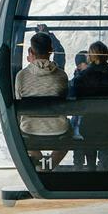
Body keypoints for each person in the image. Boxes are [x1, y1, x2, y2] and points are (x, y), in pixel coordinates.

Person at [14, 32, 69, 170]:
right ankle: (48, 166)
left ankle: (41, 166)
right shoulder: (61, 76)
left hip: (30, 129)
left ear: (31, 52)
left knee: (24, 135)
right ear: (50, 51)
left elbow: (18, 100)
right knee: (70, 133)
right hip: (58, 129)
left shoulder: (21, 76)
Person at [72, 41, 108, 171]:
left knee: (89, 147)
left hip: (88, 124)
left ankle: (91, 170)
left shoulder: (82, 77)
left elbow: (73, 98)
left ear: (90, 56)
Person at [69, 50, 92, 169]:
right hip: (82, 123)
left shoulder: (75, 80)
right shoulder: (77, 81)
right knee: (83, 151)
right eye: (88, 62)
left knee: (83, 152)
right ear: (79, 65)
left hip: (82, 123)